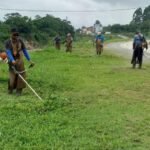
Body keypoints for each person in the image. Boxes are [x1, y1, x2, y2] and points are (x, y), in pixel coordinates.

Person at [5, 28, 34, 95]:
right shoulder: (8, 42)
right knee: (12, 76)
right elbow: (8, 52)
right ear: (11, 34)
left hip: (20, 60)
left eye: (17, 35)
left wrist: (29, 60)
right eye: (14, 35)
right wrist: (12, 60)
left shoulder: (20, 41)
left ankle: (19, 91)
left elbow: (24, 51)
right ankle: (10, 89)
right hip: (11, 61)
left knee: (21, 75)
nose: (16, 37)